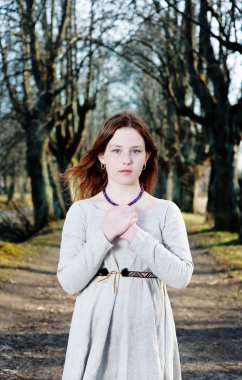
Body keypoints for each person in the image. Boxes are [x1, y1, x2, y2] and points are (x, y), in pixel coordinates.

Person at [57, 112, 193, 380]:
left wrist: (134, 234)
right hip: (93, 323)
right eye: (116, 150)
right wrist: (106, 234)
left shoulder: (166, 211)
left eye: (136, 151)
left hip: (147, 325)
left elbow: (181, 276)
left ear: (147, 158)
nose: (126, 159)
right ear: (102, 156)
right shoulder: (81, 212)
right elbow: (69, 282)